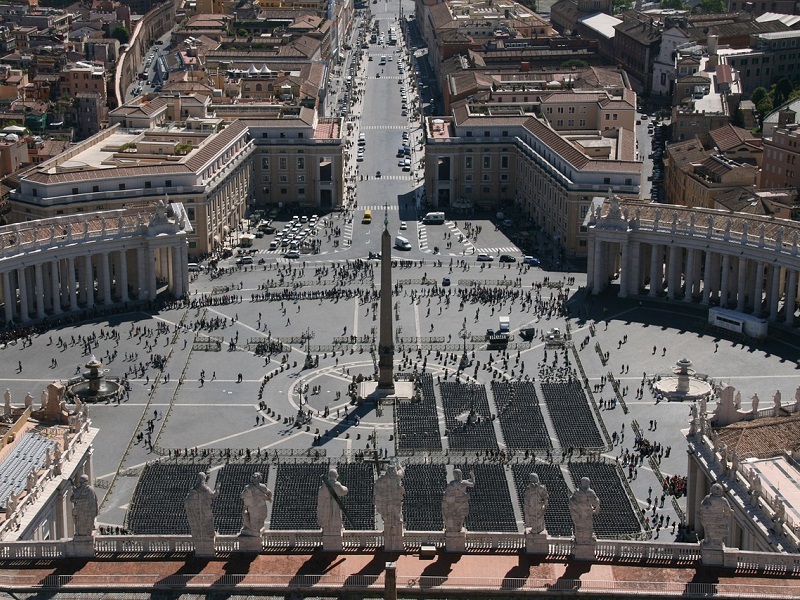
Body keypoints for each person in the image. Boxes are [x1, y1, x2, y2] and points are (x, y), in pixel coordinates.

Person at [184, 472, 217, 542]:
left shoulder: (193, 489)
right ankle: (208, 538)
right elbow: (213, 495)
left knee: (200, 525)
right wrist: (217, 489)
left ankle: (202, 538)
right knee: (208, 523)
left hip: (197, 511)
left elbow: (187, 501)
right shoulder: (205, 488)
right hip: (205, 510)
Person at [441, 468, 475, 534]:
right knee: (460, 516)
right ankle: (457, 529)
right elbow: (472, 483)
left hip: (454, 503)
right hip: (462, 502)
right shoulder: (464, 482)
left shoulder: (452, 484)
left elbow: (447, 494)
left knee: (456, 516)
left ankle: (453, 529)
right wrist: (473, 476)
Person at [240, 472, 272, 537]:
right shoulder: (250, 487)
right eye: (254, 477)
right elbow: (242, 496)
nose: (254, 479)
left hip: (258, 506)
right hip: (256, 506)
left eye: (255, 477)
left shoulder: (259, 487)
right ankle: (255, 532)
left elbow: (269, 493)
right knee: (256, 519)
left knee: (259, 518)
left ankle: (256, 531)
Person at [569, 477, 600, 544]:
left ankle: (579, 538)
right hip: (587, 512)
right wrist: (596, 509)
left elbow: (571, 500)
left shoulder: (577, 492)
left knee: (579, 526)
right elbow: (596, 502)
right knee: (587, 526)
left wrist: (575, 508)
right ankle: (587, 539)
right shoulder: (591, 492)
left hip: (579, 512)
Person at [699, 483, 732, 547]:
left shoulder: (708, 498)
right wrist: (726, 515)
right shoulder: (723, 500)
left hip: (709, 519)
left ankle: (708, 541)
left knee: (708, 531)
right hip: (719, 519)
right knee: (718, 533)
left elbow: (702, 506)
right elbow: (728, 510)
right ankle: (717, 543)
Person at [318, 468, 348, 535]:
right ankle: (335, 530)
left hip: (327, 504)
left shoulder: (324, 485)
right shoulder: (337, 485)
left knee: (327, 517)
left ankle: (327, 530)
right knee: (335, 517)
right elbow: (344, 491)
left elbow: (321, 492)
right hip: (335, 503)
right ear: (336, 475)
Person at [374, 464, 404, 532]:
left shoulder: (384, 480)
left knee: (394, 516)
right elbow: (401, 472)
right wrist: (398, 465)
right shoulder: (395, 478)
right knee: (392, 516)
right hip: (390, 501)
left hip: (392, 501)